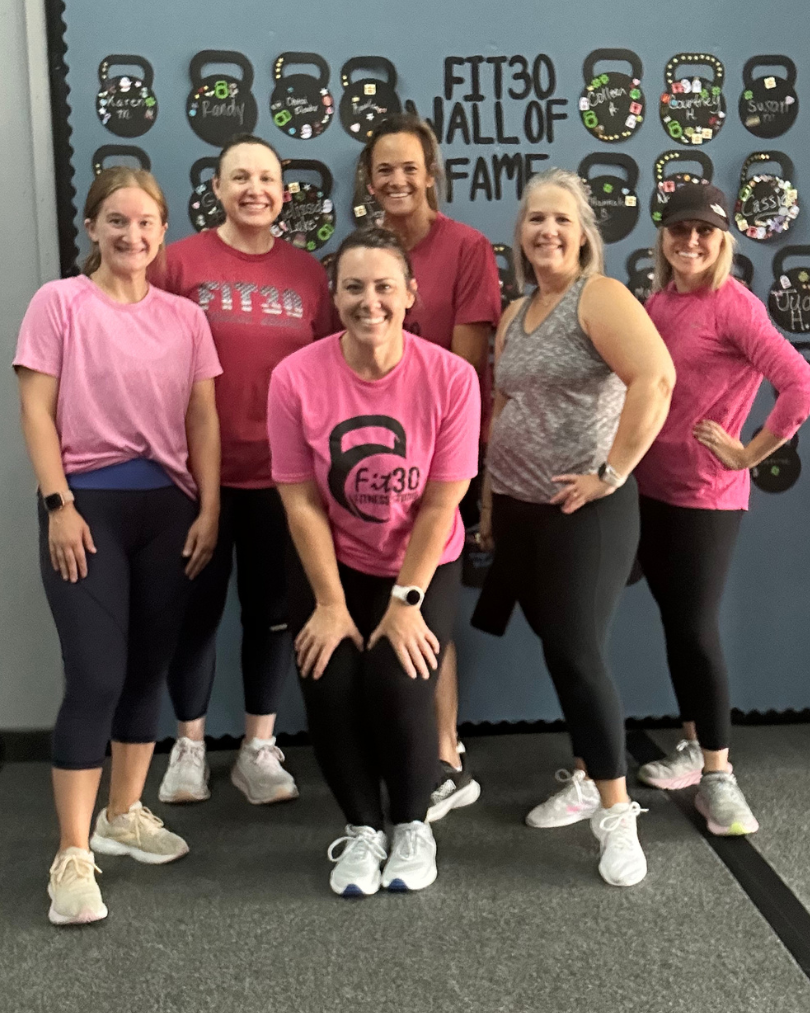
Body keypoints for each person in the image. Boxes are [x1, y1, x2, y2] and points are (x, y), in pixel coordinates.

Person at [14, 167, 222, 925]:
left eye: (145, 223)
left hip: (170, 508)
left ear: (163, 230)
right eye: (117, 221)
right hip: (87, 506)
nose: (132, 235)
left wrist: (210, 508)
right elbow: (35, 409)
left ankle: (123, 814)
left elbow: (202, 418)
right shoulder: (59, 302)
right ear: (93, 227)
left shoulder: (185, 317)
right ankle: (73, 854)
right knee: (96, 674)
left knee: (147, 668)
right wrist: (58, 505)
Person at [472, 168, 675, 887]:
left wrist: (610, 474)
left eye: (561, 219)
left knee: (577, 652)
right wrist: (490, 503)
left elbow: (655, 378)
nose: (547, 230)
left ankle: (617, 814)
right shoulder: (516, 311)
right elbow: (503, 407)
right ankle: (589, 775)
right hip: (519, 508)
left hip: (585, 510)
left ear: (585, 234)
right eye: (535, 219)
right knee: (561, 650)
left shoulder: (601, 297)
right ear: (520, 234)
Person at [267, 229, 480, 896]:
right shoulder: (294, 378)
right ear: (334, 297)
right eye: (354, 287)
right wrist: (331, 604)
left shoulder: (452, 377)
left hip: (421, 561)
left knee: (399, 677)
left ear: (410, 294)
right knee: (328, 677)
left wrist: (405, 601)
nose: (370, 301)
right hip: (335, 560)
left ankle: (413, 824)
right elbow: (300, 500)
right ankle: (363, 829)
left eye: (385, 286)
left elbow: (442, 501)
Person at [151, 134, 334, 807]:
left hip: (282, 479)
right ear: (217, 189)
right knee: (194, 613)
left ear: (283, 192)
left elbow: (328, 370)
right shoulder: (178, 262)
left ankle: (257, 748)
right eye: (239, 178)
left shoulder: (308, 273)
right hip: (194, 476)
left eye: (266, 178)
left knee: (271, 614)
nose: (254, 189)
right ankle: (189, 747)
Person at [633, 184, 810, 834]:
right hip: (648, 488)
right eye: (679, 229)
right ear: (663, 237)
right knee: (678, 626)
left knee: (696, 628)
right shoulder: (660, 301)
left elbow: (799, 383)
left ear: (722, 240)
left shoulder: (733, 305)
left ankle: (719, 775)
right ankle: (692, 746)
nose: (690, 241)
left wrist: (748, 453)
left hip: (704, 497)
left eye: (703, 231)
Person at [359, 113, 501, 821]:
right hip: (368, 460)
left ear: (430, 173)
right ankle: (402, 745)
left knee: (429, 604)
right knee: (379, 601)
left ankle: (445, 754)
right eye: (384, 169)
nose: (397, 181)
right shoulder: (362, 255)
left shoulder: (467, 247)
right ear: (368, 180)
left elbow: (465, 368)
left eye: (408, 168)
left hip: (442, 457)